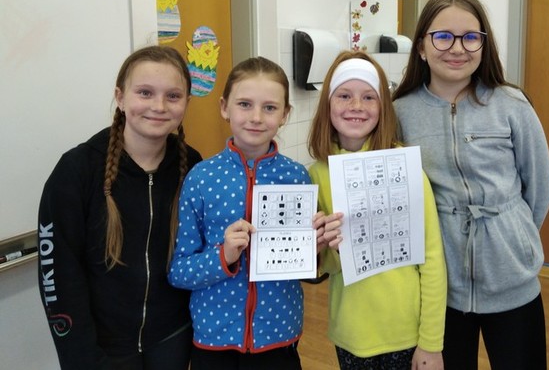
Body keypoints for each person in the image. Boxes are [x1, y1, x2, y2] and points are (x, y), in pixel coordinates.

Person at [392, 0, 549, 370]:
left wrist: (514, 237)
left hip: (512, 279)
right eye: (442, 36)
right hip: (440, 288)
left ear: (483, 44)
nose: (457, 48)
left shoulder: (511, 104)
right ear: (421, 47)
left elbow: (540, 187)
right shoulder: (400, 112)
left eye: (470, 37)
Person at [37, 45, 203, 370]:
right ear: (120, 97)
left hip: (174, 337)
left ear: (186, 102)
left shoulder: (194, 166)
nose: (158, 106)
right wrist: (81, 356)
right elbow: (59, 274)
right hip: (102, 348)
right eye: (145, 92)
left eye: (173, 96)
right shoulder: (77, 170)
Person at [168, 56, 325, 370]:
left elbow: (305, 270)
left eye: (269, 107)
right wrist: (224, 256)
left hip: (278, 335)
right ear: (224, 107)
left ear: (285, 114)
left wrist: (315, 249)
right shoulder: (202, 178)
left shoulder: (297, 177)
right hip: (214, 338)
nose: (256, 117)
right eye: (244, 104)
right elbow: (179, 271)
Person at [308, 50, 447, 370]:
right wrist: (323, 246)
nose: (356, 106)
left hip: (405, 332)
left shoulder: (406, 168)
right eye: (344, 95)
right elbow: (327, 266)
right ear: (327, 104)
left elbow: (431, 259)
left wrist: (431, 341)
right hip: (350, 331)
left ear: (383, 107)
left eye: (369, 97)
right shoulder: (317, 174)